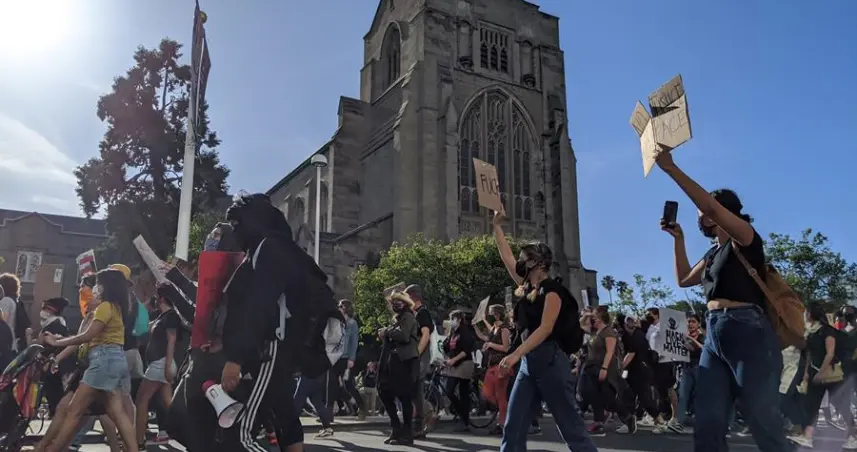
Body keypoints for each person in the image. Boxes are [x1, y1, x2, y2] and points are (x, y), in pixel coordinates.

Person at [656, 150, 791, 451]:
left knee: (760, 417)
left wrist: (670, 168)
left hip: (747, 330)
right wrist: (678, 240)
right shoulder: (713, 253)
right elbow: (683, 279)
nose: (701, 216)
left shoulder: (745, 237)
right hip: (715, 335)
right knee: (708, 421)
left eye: (705, 211)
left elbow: (710, 207)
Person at [216, 192, 338, 451]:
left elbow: (259, 306)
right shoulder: (275, 248)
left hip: (271, 347)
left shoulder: (268, 249)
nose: (235, 230)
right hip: (281, 347)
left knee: (241, 433)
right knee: (283, 413)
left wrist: (235, 358)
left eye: (237, 223)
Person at [491, 211, 596, 452]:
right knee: (513, 426)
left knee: (570, 428)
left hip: (551, 362)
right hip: (529, 363)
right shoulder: (527, 287)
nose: (519, 262)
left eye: (524, 258)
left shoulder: (553, 292)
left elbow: (546, 328)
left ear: (537, 263)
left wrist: (515, 354)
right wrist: (496, 226)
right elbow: (506, 257)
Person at [41, 269, 138, 452]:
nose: (95, 288)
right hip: (115, 360)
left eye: (98, 284)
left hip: (102, 361)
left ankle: (51, 449)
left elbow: (87, 336)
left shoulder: (105, 307)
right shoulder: (117, 307)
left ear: (106, 286)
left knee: (73, 410)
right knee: (117, 413)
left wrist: (56, 342)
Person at [788, 302, 854, 448]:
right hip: (815, 373)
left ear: (811, 314)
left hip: (830, 374)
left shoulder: (827, 331)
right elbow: (809, 355)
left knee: (840, 405)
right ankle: (808, 437)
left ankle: (854, 435)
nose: (804, 315)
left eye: (806, 312)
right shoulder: (810, 332)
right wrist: (807, 373)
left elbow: (830, 353)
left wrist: (821, 372)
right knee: (811, 406)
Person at [135, 287, 180, 448]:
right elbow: (145, 328)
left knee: (141, 400)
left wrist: (167, 366)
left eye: (156, 296)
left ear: (161, 298)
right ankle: (191, 432)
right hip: (161, 363)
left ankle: (138, 441)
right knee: (168, 403)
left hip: (161, 363)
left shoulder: (171, 316)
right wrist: (145, 306)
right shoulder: (162, 316)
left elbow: (171, 341)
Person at [580, 309, 636, 436]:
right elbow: (582, 325)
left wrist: (604, 369)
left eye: (594, 316)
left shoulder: (608, 332)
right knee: (590, 393)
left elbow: (610, 352)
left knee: (608, 398)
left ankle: (627, 418)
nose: (592, 318)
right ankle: (599, 420)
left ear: (600, 318)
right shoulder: (595, 331)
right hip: (592, 367)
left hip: (605, 369)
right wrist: (587, 315)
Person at [377, 291, 420, 445]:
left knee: (404, 396)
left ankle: (406, 434)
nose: (395, 304)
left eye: (398, 302)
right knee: (384, 392)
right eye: (393, 302)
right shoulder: (398, 319)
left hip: (404, 363)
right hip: (394, 362)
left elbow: (404, 336)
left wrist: (386, 332)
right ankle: (396, 429)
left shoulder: (408, 316)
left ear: (405, 303)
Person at [27, 297, 71, 417]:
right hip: (50, 365)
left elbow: (53, 345)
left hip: (52, 366)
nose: (42, 311)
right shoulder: (53, 324)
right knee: (52, 393)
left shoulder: (55, 325)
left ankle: (56, 416)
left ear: (52, 310)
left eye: (45, 308)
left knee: (54, 393)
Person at [475, 304, 512, 435]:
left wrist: (490, 344)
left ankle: (502, 422)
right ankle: (506, 411)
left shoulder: (504, 329)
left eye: (490, 312)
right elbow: (485, 337)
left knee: (500, 396)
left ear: (497, 314)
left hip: (501, 365)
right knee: (487, 393)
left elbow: (506, 348)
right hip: (492, 365)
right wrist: (475, 326)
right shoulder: (495, 329)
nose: (489, 315)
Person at [328, 299, 366, 420]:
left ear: (346, 308)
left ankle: (361, 406)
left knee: (349, 385)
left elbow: (353, 342)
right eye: (338, 306)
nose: (339, 308)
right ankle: (329, 413)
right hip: (335, 357)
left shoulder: (352, 323)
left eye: (341, 306)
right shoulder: (336, 322)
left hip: (345, 358)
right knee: (332, 384)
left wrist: (351, 358)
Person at [619, 315, 661, 427]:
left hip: (640, 371)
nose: (631, 323)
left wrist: (620, 367)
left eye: (632, 321)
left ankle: (658, 419)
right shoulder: (634, 335)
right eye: (629, 321)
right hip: (637, 370)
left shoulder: (637, 336)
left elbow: (631, 354)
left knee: (642, 396)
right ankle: (632, 421)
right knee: (634, 395)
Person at [404, 283, 434, 438]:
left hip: (420, 358)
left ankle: (421, 422)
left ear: (413, 296)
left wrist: (416, 353)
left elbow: (426, 334)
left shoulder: (423, 313)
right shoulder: (416, 313)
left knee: (415, 391)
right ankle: (423, 420)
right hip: (417, 357)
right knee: (414, 391)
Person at [643, 307, 677, 433]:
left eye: (649, 314)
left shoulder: (664, 326)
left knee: (668, 389)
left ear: (657, 315)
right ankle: (658, 415)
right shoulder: (650, 328)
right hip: (653, 362)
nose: (647, 316)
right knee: (655, 389)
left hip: (665, 360)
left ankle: (674, 417)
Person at [670, 314, 706, 433]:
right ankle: (679, 423)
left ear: (698, 324)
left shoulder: (702, 337)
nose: (690, 324)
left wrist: (690, 339)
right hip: (686, 368)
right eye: (688, 322)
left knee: (700, 396)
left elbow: (701, 348)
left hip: (699, 368)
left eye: (693, 321)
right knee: (683, 395)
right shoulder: (682, 336)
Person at [442, 309, 476, 433]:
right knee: (455, 392)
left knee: (456, 391)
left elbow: (466, 350)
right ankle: (464, 417)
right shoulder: (453, 332)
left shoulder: (465, 331)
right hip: (454, 364)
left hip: (464, 364)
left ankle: (464, 418)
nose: (451, 321)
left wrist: (453, 360)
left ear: (459, 319)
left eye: (453, 319)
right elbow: (446, 347)